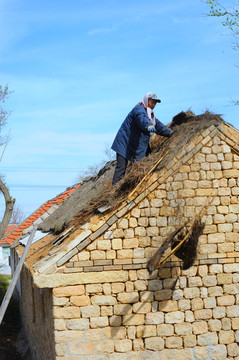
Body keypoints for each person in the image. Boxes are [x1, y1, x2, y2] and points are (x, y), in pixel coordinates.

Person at [111, 92, 172, 185]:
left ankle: (133, 185)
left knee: (140, 163)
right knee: (121, 168)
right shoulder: (139, 109)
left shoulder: (150, 115)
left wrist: (170, 133)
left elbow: (158, 126)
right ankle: (114, 192)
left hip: (134, 144)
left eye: (155, 103)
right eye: (152, 102)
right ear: (147, 101)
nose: (153, 105)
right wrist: (148, 126)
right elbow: (142, 119)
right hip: (124, 143)